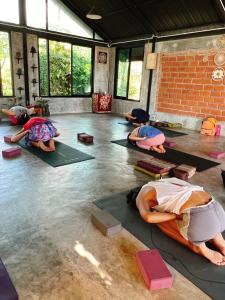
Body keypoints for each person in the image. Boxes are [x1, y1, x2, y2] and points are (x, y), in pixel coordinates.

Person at [127, 177, 225, 266]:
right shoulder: (168, 180)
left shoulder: (142, 194)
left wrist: (176, 216)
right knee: (203, 219)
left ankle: (203, 250)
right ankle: (221, 242)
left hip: (198, 219)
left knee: (161, 220)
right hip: (218, 210)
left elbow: (148, 217)